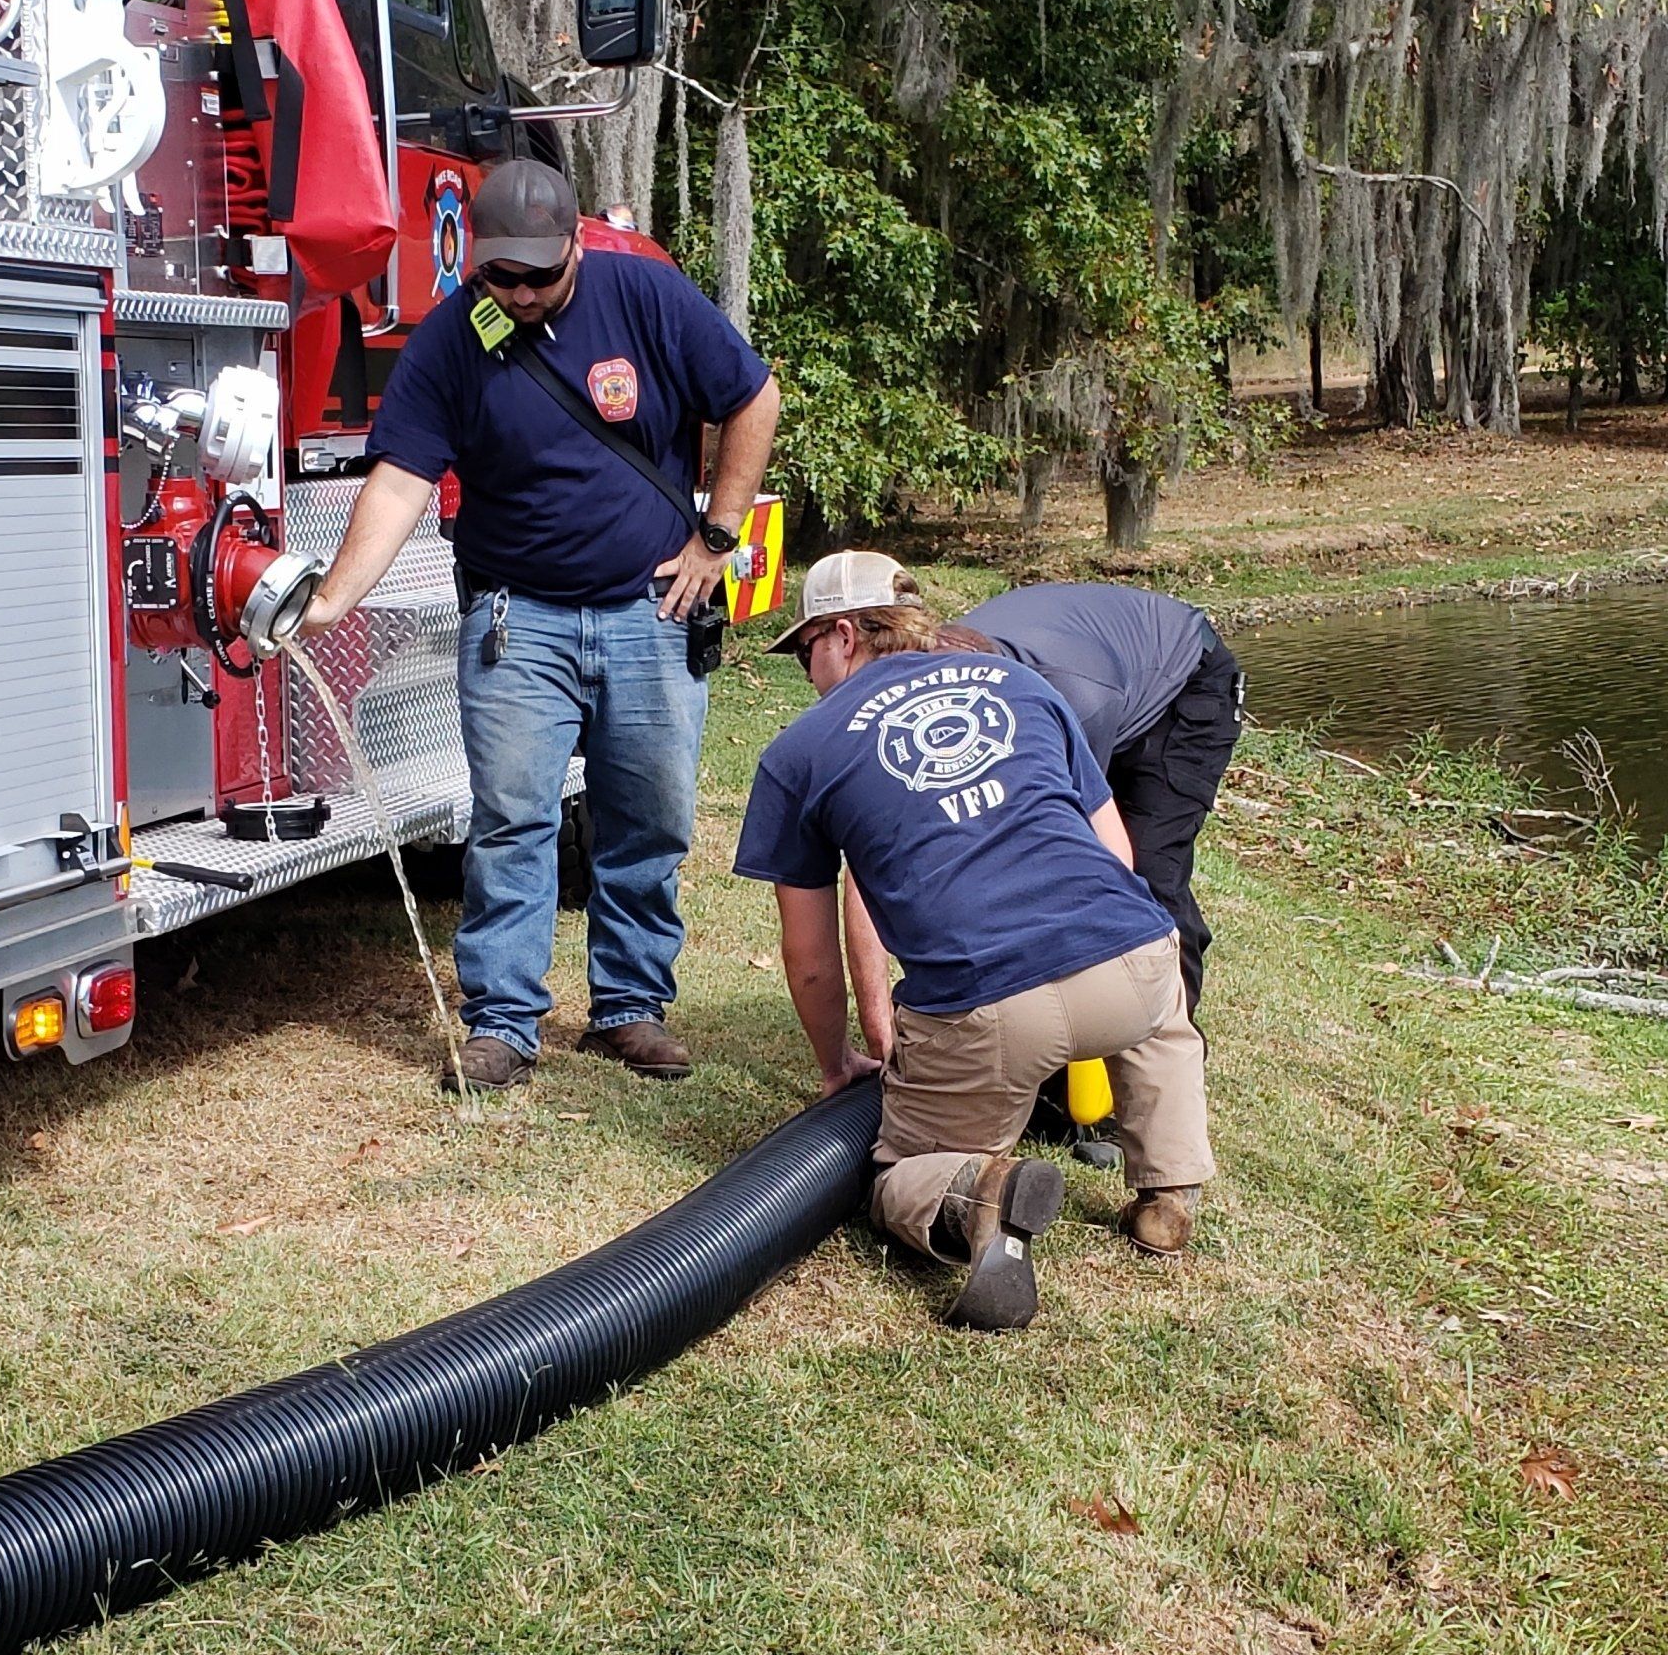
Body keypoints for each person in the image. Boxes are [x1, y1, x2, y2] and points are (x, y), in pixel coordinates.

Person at [299, 160, 780, 1094]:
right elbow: (399, 480)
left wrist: (717, 537)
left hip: (651, 611)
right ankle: (504, 1024)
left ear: (575, 248)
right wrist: (333, 599)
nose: (517, 294)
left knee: (648, 820)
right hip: (517, 621)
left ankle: (631, 1008)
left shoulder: (645, 294)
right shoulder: (449, 340)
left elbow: (751, 396)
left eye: (538, 276)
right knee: (512, 822)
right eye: (499, 276)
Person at [733, 552, 1214, 1329]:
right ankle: (1169, 1192)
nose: (806, 673)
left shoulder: (800, 752)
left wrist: (835, 1066)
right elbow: (1117, 857)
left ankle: (975, 1191)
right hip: (1131, 959)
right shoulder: (1026, 687)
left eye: (805, 650)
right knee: (1164, 1024)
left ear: (846, 635)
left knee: (898, 1173)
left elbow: (811, 957)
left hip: (987, 1005)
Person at [954, 579, 1243, 1016]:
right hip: (1107, 660)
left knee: (1148, 874)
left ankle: (1166, 1041)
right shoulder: (937, 665)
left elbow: (1087, 849)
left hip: (1185, 683)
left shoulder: (1074, 698)